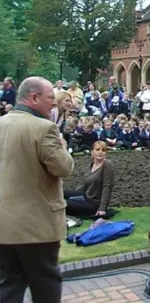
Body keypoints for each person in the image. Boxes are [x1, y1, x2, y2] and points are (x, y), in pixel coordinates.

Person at [0, 76, 75, 303]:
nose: (53, 103)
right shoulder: (44, 128)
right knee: (45, 285)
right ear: (33, 97)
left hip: (3, 225)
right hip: (37, 227)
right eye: (50, 97)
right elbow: (64, 168)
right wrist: (63, 147)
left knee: (8, 286)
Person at [64, 141, 115, 217]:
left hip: (95, 203)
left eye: (103, 150)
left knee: (64, 204)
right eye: (97, 150)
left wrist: (102, 209)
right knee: (61, 193)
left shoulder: (107, 164)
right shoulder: (92, 165)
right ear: (92, 152)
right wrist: (72, 195)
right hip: (86, 196)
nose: (100, 152)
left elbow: (107, 187)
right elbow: (85, 186)